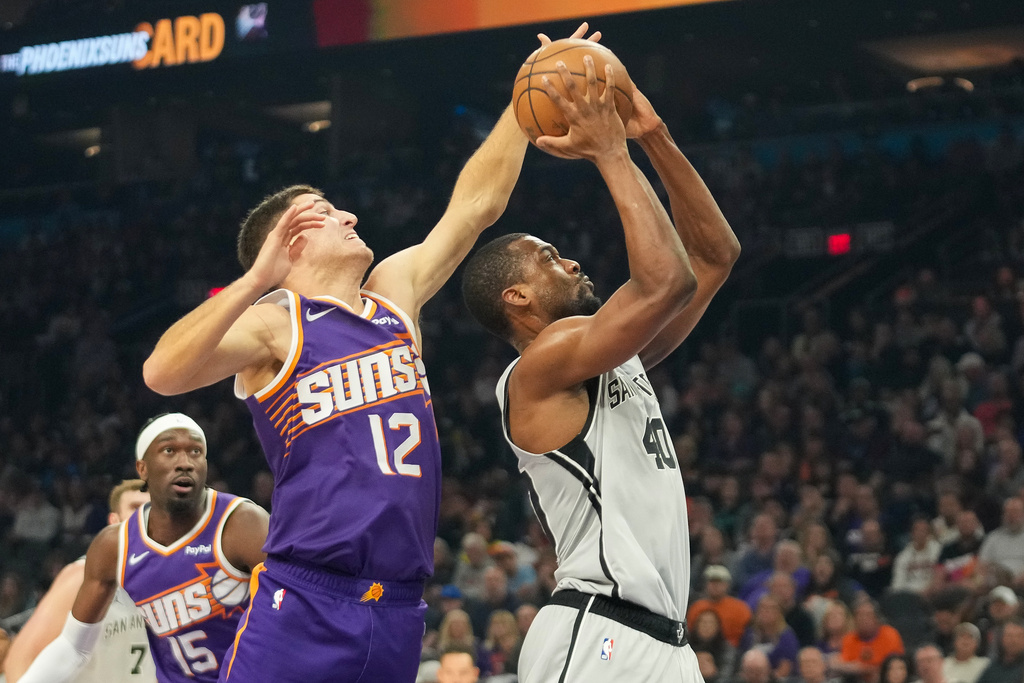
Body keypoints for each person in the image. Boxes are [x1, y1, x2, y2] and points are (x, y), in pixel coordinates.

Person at [141, 23, 610, 680]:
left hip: (398, 609)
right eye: (328, 212)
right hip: (306, 598)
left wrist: (522, 97)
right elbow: (161, 373)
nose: (350, 217)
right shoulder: (275, 325)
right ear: (289, 242)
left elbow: (476, 205)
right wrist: (255, 280)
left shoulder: (394, 293)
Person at [461, 43, 739, 681]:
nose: (572, 261)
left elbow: (714, 257)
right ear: (516, 297)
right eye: (550, 258)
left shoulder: (613, 358)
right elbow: (666, 281)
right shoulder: (541, 366)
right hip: (597, 632)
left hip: (664, 642)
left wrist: (653, 135)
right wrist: (611, 151)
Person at [14, 413, 269, 683]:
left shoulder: (242, 524)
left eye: (195, 451)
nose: (185, 462)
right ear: (143, 469)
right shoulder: (114, 546)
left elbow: (291, 614)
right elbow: (73, 647)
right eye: (169, 451)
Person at [5, 480, 154, 682]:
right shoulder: (81, 576)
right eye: (135, 508)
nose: (145, 516)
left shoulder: (181, 577)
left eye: (153, 508)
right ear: (114, 521)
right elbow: (21, 659)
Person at [835, 599, 906, 683]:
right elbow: (843, 665)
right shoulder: (848, 639)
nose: (863, 619)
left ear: (877, 618)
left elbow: (895, 665)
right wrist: (866, 669)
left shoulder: (890, 634)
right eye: (859, 615)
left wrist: (863, 668)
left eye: (868, 615)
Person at [689, 565, 753, 647]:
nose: (715, 586)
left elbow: (749, 633)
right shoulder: (696, 608)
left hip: (733, 650)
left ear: (727, 584)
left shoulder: (740, 608)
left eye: (719, 582)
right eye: (712, 582)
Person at [974, 619, 1024, 683]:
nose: (1014, 641)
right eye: (1009, 636)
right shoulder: (993, 667)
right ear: (1001, 638)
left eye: (1019, 636)